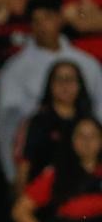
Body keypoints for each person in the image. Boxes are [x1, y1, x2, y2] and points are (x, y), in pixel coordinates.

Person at [0, 0, 102, 180]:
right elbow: (6, 127)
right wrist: (12, 175)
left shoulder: (87, 64)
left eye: (48, 18)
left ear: (60, 18)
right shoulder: (14, 70)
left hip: (87, 168)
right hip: (39, 166)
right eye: (37, 21)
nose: (43, 26)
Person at [14, 116, 102, 222]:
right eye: (81, 136)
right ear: (71, 140)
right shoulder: (57, 174)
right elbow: (20, 211)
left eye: (93, 136)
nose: (87, 142)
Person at [15, 61, 94, 191]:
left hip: (84, 194)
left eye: (70, 80)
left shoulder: (88, 122)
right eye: (59, 79)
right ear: (50, 85)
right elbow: (24, 165)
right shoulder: (38, 122)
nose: (65, 85)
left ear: (80, 85)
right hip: (45, 195)